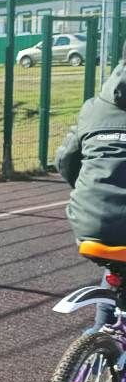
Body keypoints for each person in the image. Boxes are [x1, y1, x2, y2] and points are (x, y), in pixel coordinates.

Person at [56, 42, 126, 332]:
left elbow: (65, 160)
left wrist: (86, 188)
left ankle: (100, 340)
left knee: (117, 268)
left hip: (88, 222)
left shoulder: (95, 106)